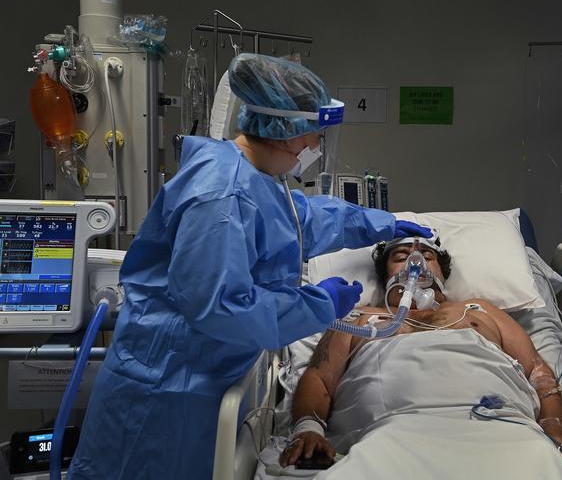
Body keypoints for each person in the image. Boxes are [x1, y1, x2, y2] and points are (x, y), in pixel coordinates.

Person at [67, 54, 431, 479]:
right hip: (164, 392)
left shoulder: (254, 177)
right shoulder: (222, 197)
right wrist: (318, 305)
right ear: (283, 133)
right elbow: (221, 307)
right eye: (312, 135)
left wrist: (379, 224)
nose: (314, 147)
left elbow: (300, 222)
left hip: (199, 380)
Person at [280, 235, 562, 469]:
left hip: (501, 428)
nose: (416, 261)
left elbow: (538, 371)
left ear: (441, 269)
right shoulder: (360, 319)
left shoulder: (481, 310)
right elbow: (319, 377)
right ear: (386, 273)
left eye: (427, 255)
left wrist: (553, 429)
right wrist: (308, 428)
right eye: (401, 256)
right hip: (387, 434)